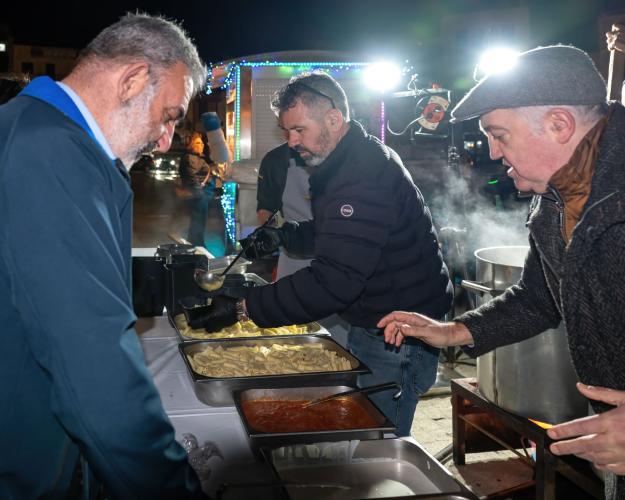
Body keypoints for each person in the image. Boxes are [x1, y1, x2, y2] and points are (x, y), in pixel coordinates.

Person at [377, 45, 625, 499]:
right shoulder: (554, 199)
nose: (492, 153)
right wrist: (454, 331)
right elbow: (538, 298)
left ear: (558, 124)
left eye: (499, 135)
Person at [0, 13, 208, 499]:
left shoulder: (35, 131)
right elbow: (94, 364)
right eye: (169, 115)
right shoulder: (51, 151)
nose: (165, 140)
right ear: (132, 79)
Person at [204, 72, 453, 437]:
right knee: (362, 432)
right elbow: (337, 232)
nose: (291, 142)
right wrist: (284, 236)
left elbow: (334, 282)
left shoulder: (362, 175)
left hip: (399, 334)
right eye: (287, 131)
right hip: (377, 321)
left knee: (377, 443)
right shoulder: (346, 160)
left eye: (299, 130)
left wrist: (245, 307)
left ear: (334, 119)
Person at [256, 142, 314, 278]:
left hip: (335, 256)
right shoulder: (274, 159)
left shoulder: (341, 156)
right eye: (287, 132)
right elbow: (266, 208)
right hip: (292, 258)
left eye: (299, 131)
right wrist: (272, 234)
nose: (293, 138)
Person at [179, 131, 220, 246]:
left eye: (202, 143)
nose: (201, 145)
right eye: (197, 143)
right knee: (198, 222)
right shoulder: (190, 158)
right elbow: (191, 178)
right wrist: (200, 194)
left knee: (198, 222)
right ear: (191, 145)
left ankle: (196, 243)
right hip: (198, 196)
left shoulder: (197, 158)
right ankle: (197, 244)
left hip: (200, 195)